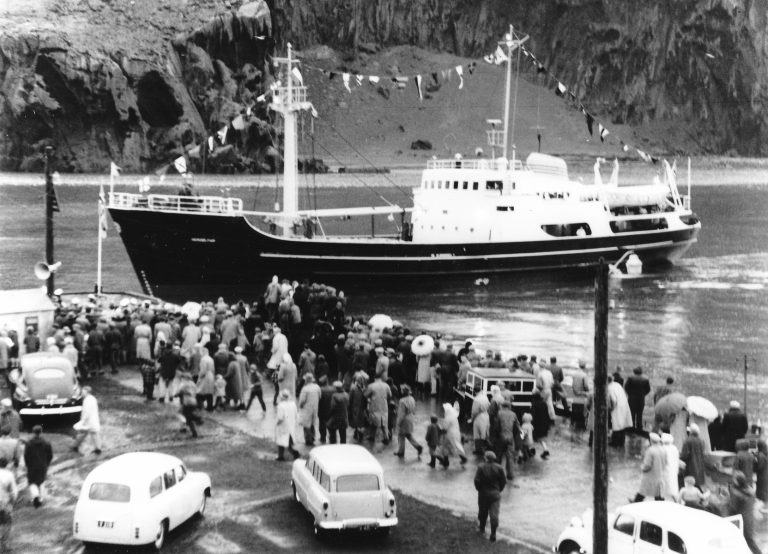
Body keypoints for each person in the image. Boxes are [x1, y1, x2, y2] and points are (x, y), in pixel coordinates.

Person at [474, 451, 506, 543]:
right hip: (495, 494)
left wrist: (479, 489)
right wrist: (499, 490)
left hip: (483, 494)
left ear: (486, 458)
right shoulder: (499, 468)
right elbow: (503, 481)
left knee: (482, 512)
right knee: (494, 514)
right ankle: (493, 534)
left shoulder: (481, 467)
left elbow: (476, 480)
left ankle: (482, 528)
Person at [729, 470, 762, 554]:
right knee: (749, 540)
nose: (732, 480)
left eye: (734, 479)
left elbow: (733, 507)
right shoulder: (750, 490)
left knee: (747, 540)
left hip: (741, 520)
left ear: (737, 481)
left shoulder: (736, 493)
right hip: (750, 518)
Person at [632, 433, 666, 502]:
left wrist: (642, 468)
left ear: (650, 440)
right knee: (658, 494)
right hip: (659, 475)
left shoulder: (650, 450)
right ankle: (661, 505)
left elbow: (647, 465)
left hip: (650, 476)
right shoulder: (663, 450)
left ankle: (636, 502)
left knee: (643, 491)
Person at [24, 425, 52, 508]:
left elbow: (26, 455)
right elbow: (50, 455)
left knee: (32, 481)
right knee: (42, 481)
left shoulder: (29, 443)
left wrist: (27, 464)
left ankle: (35, 496)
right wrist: (47, 463)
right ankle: (41, 499)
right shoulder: (47, 443)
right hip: (43, 465)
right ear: (41, 432)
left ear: (33, 432)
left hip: (32, 465)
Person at [491, 401, 521, 480]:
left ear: (502, 406)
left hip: (501, 437)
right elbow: (517, 427)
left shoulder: (499, 413)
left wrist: (495, 436)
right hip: (510, 437)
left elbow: (496, 427)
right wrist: (513, 435)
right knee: (510, 456)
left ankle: (497, 474)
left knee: (498, 456)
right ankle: (510, 475)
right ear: (509, 406)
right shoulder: (513, 414)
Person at [393, 385, 423, 459]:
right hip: (410, 417)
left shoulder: (402, 401)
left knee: (401, 436)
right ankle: (417, 446)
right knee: (408, 434)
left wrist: (398, 423)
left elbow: (401, 414)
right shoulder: (412, 398)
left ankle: (401, 452)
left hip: (404, 420)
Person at [364, 372, 392, 448]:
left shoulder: (371, 386)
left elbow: (365, 395)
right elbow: (390, 395)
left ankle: (372, 437)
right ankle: (386, 438)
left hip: (375, 406)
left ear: (374, 378)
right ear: (381, 378)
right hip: (384, 406)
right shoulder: (386, 385)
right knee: (384, 423)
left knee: (374, 422)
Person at [72, 386, 101, 455]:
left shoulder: (87, 400)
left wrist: (82, 421)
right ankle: (97, 449)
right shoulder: (92, 398)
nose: (82, 393)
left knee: (85, 434)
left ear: (87, 392)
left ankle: (75, 446)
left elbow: (86, 412)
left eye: (83, 392)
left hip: (88, 421)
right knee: (93, 434)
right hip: (92, 420)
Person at [437, 403, 468, 468]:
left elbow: (444, 427)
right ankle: (446, 461)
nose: (443, 411)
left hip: (450, 434)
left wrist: (439, 426)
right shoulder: (453, 417)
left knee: (453, 446)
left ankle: (462, 458)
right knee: (448, 446)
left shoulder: (448, 417)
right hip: (455, 433)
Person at [607, 375, 633, 447]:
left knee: (616, 425)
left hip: (617, 407)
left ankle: (615, 443)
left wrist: (611, 408)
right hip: (623, 405)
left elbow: (614, 400)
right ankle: (622, 442)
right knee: (622, 424)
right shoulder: (617, 384)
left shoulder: (609, 388)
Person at [679, 422, 707, 489]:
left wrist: (679, 457)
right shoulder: (701, 441)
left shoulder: (687, 441)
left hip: (690, 467)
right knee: (697, 485)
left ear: (690, 432)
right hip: (700, 467)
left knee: (690, 485)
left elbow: (684, 456)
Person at [275, 389, 300, 461]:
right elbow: (296, 415)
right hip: (291, 425)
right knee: (288, 442)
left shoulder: (280, 405)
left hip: (283, 426)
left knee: (281, 442)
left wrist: (276, 424)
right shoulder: (293, 404)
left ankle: (284, 456)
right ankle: (282, 456)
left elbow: (280, 418)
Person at [624, 366, 650, 432]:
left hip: (632, 399)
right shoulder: (645, 379)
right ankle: (639, 428)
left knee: (631, 413)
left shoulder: (630, 378)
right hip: (641, 399)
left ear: (634, 371)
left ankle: (631, 427)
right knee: (639, 414)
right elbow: (648, 389)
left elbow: (626, 387)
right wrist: (643, 394)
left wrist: (630, 394)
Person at [177, 372, 202, 438]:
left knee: (183, 414)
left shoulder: (184, 384)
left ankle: (197, 419)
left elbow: (179, 391)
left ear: (185, 378)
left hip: (187, 402)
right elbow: (197, 391)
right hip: (194, 401)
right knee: (188, 417)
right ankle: (194, 433)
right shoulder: (193, 384)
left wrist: (176, 394)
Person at [298, 374, 321, 446]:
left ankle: (308, 440)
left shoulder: (305, 389)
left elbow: (302, 400)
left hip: (307, 409)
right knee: (312, 423)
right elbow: (320, 396)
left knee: (306, 424)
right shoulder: (317, 387)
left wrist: (300, 406)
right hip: (315, 407)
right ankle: (313, 437)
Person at [0, 457, 17, 552]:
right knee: (7, 523)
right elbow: (14, 492)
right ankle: (4, 545)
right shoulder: (9, 474)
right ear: (6, 465)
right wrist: (12, 502)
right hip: (4, 502)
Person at [471, 386, 490, 455]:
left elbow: (474, 411)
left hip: (479, 417)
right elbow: (489, 405)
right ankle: (485, 447)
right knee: (484, 432)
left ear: (475, 391)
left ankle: (479, 449)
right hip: (486, 415)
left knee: (477, 433)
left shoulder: (476, 399)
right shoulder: (485, 397)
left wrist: (472, 419)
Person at [661, 433, 680, 500]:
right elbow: (677, 459)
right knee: (673, 487)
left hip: (665, 470)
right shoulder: (674, 448)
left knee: (664, 487)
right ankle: (677, 500)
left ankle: (662, 501)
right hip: (673, 470)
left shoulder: (662, 448)